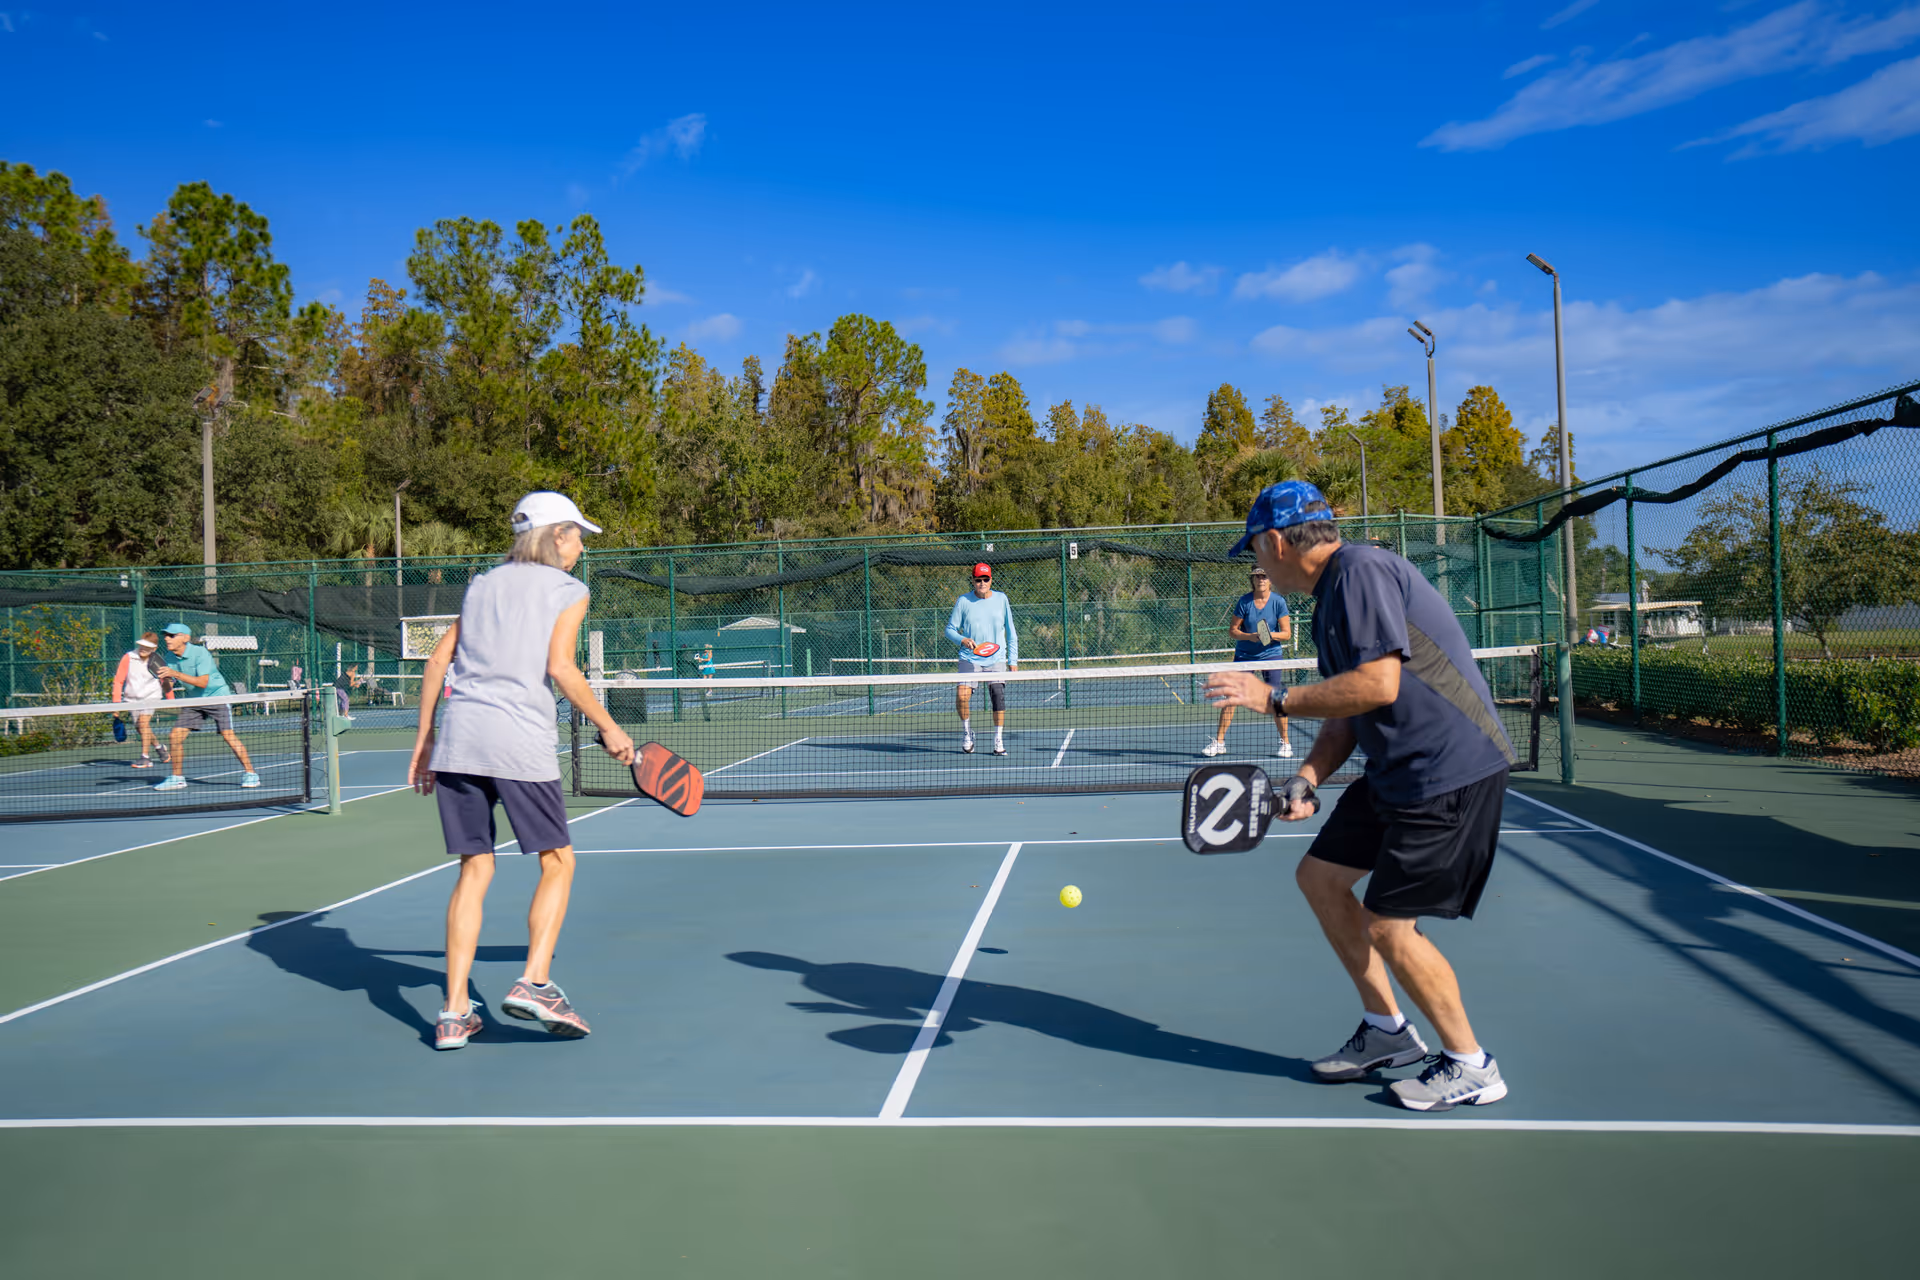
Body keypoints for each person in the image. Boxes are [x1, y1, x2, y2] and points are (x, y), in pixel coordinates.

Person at [1203, 481, 1515, 1112]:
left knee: (1390, 925)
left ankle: (1471, 1064)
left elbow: (1378, 683)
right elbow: (1348, 710)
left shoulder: (1361, 572)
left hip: (1449, 770)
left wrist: (1274, 698)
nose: (1257, 566)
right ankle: (1388, 1033)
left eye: (1256, 552)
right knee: (1319, 879)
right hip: (1396, 768)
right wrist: (1307, 779)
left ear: (1275, 541)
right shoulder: (1330, 600)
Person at [408, 491, 635, 1052]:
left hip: (459, 739)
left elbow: (438, 660)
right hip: (518, 743)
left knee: (474, 869)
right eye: (578, 535)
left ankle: (455, 1012)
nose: (582, 546)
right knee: (559, 861)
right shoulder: (569, 590)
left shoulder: (482, 584)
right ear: (557, 535)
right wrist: (611, 726)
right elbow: (561, 666)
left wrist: (424, 739)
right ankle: (535, 981)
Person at [152, 623, 261, 791]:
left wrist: (174, 674)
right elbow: (169, 687)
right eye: (166, 635)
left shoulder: (200, 653)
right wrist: (164, 680)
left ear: (185, 638)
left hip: (217, 696)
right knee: (174, 736)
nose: (167, 638)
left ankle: (251, 773)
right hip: (194, 701)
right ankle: (177, 778)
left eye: (172, 635)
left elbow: (202, 682)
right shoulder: (170, 657)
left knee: (228, 736)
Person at [1201, 567, 1293, 759]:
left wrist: (1268, 635)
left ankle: (1285, 744)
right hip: (1245, 655)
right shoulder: (1244, 602)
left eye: (1265, 576)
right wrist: (1250, 637)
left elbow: (1286, 633)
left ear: (1270, 579)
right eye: (1257, 576)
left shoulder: (1278, 602)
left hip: (1271, 655)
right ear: (1253, 580)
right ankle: (1219, 743)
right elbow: (1233, 630)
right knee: (1230, 696)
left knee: (1277, 699)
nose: (1261, 579)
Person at [944, 562, 1019, 756]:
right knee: (961, 696)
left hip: (997, 658)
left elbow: (1011, 631)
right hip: (970, 658)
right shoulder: (963, 601)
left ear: (991, 580)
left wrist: (1013, 660)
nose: (982, 583)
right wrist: (963, 639)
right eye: (978, 579)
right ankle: (968, 733)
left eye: (986, 579)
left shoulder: (1002, 599)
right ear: (973, 581)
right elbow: (949, 630)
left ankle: (998, 739)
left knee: (998, 697)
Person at [111, 632, 172, 769]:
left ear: (154, 648)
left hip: (151, 696)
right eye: (142, 645)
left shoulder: (157, 660)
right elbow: (119, 681)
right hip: (132, 698)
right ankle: (159, 747)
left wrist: (171, 700)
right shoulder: (128, 658)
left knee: (143, 724)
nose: (143, 649)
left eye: (148, 647)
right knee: (141, 728)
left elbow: (165, 681)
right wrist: (116, 706)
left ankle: (145, 758)